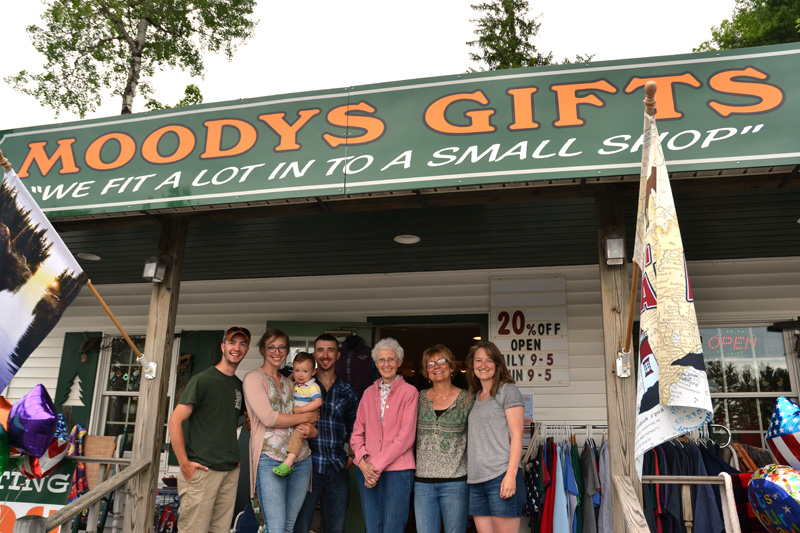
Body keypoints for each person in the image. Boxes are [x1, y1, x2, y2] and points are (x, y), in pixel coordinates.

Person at [168, 326, 250, 533]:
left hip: (230, 471)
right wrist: (184, 463)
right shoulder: (203, 380)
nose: (236, 348)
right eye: (232, 343)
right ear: (223, 346)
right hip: (202, 470)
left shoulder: (239, 386)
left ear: (247, 349)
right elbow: (174, 421)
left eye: (242, 344)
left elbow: (241, 421)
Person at [243, 329, 319, 532]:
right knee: (275, 527)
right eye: (271, 347)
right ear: (262, 350)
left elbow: (311, 416)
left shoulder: (290, 382)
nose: (277, 352)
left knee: (287, 527)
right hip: (270, 457)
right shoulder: (253, 378)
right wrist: (306, 417)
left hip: (301, 458)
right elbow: (269, 418)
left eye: (282, 347)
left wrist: (313, 430)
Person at [351, 338, 418, 533]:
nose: (386, 364)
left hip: (397, 471)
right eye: (382, 360)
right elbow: (357, 433)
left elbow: (406, 437)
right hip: (366, 471)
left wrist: (375, 466)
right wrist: (363, 464)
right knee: (373, 527)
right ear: (376, 363)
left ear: (399, 362)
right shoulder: (368, 393)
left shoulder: (409, 392)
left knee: (393, 528)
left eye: (391, 359)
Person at [294, 334, 359, 533]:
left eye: (330, 350)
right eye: (320, 350)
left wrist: (351, 456)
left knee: (335, 528)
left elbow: (356, 429)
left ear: (338, 355)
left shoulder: (347, 391)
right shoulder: (299, 388)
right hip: (308, 466)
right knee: (301, 526)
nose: (325, 355)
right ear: (314, 354)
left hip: (338, 469)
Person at [466, 340, 525, 533]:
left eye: (489, 360)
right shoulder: (475, 397)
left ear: (497, 363)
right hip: (476, 481)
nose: (483, 365)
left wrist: (511, 475)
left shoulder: (507, 390)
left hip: (500, 477)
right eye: (478, 360)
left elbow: (517, 435)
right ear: (472, 365)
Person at [414, 344, 474, 533]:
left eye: (442, 361)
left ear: (452, 367)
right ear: (426, 372)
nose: (437, 367)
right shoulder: (418, 399)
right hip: (423, 483)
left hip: (456, 483)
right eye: (430, 364)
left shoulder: (468, 400)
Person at [273, 351, 323, 476]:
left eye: (305, 371)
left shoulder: (312, 386)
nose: (300, 375)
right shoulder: (295, 384)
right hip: (297, 417)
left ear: (313, 372)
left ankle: (288, 462)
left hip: (308, 417)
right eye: (297, 370)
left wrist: (301, 410)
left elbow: (318, 401)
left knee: (297, 434)